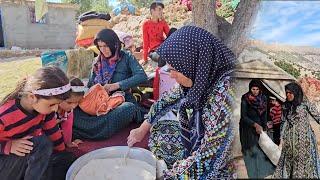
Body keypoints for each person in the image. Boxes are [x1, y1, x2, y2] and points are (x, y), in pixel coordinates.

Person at [127, 26, 236, 179]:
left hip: (222, 163)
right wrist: (143, 128)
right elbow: (165, 101)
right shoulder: (202, 75)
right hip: (203, 145)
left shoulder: (227, 95)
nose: (171, 75)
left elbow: (207, 159)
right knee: (159, 129)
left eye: (174, 70)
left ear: (192, 62)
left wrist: (168, 177)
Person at [0, 66, 75, 180]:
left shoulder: (45, 111)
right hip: (5, 165)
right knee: (42, 144)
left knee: (67, 159)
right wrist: (8, 146)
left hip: (26, 158)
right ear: (32, 97)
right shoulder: (4, 115)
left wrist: (62, 152)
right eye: (52, 104)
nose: (55, 109)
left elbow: (54, 134)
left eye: (57, 104)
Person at [73, 29, 148, 140]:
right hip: (98, 103)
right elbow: (89, 84)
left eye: (106, 46)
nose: (104, 50)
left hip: (120, 100)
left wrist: (116, 85)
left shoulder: (126, 57)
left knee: (129, 108)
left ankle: (91, 129)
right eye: (101, 46)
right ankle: (98, 127)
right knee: (73, 108)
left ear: (114, 44)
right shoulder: (97, 62)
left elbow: (142, 76)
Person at [273, 82, 320, 178]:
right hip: (290, 142)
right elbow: (283, 123)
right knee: (290, 164)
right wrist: (281, 140)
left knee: (303, 165)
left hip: (305, 142)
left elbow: (318, 116)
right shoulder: (286, 106)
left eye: (291, 92)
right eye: (287, 93)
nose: (288, 95)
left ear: (296, 92)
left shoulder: (304, 103)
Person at [239, 79, 275, 178]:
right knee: (251, 151)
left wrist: (264, 127)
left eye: (257, 89)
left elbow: (264, 114)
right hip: (247, 127)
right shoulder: (245, 98)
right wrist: (255, 125)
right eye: (253, 89)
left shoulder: (263, 98)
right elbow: (244, 116)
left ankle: (261, 175)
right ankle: (253, 175)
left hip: (259, 127)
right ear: (250, 89)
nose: (255, 91)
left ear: (260, 89)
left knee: (261, 150)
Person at [56, 77, 85, 148]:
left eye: (77, 102)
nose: (73, 106)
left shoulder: (68, 111)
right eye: (69, 102)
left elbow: (67, 126)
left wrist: (68, 142)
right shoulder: (50, 109)